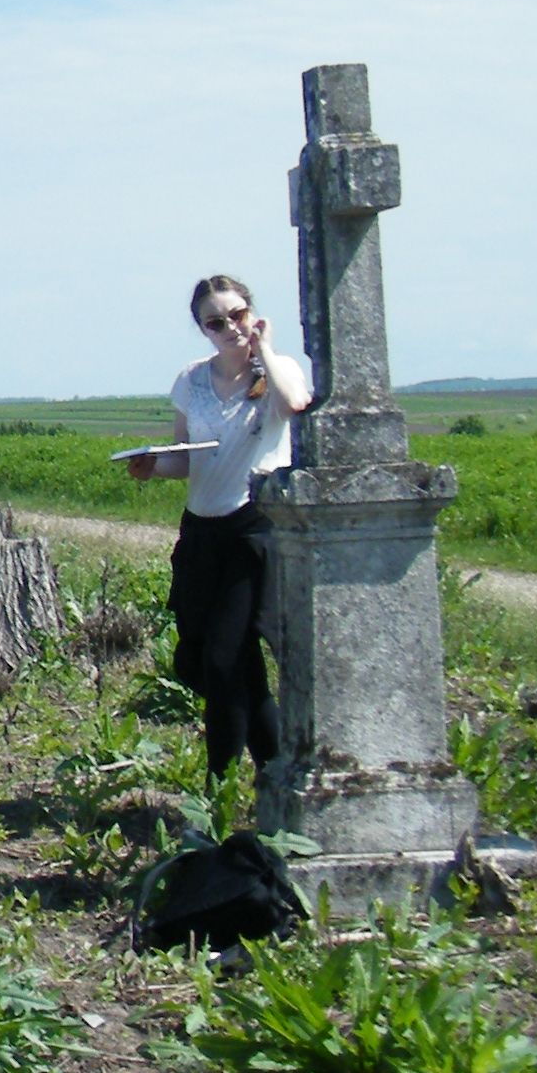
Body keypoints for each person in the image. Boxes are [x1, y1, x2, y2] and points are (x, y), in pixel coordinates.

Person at [126, 275, 314, 779]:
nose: (229, 327)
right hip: (201, 531)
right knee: (198, 660)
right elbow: (185, 460)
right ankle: (276, 769)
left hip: (251, 528)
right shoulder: (192, 381)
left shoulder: (277, 372)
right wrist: (152, 466)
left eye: (237, 315)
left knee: (226, 660)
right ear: (202, 329)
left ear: (252, 313)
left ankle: (220, 785)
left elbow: (295, 405)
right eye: (216, 322)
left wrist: (265, 350)